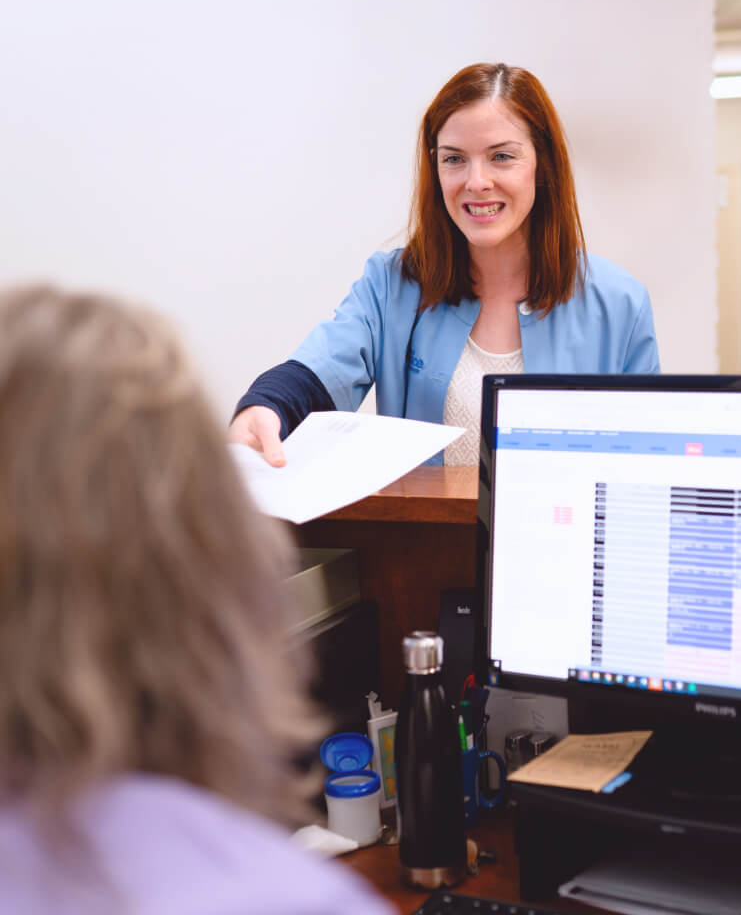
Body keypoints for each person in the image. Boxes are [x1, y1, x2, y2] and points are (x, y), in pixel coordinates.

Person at [0, 285, 391, 914]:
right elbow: (312, 373)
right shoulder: (285, 899)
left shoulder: (609, 303)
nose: (476, 180)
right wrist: (265, 405)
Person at [229, 62, 659, 467]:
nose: (476, 182)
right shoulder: (391, 285)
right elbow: (322, 368)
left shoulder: (619, 303)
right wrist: (265, 405)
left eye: (501, 156)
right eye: (454, 159)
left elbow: (644, 464)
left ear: (542, 165)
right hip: (426, 545)